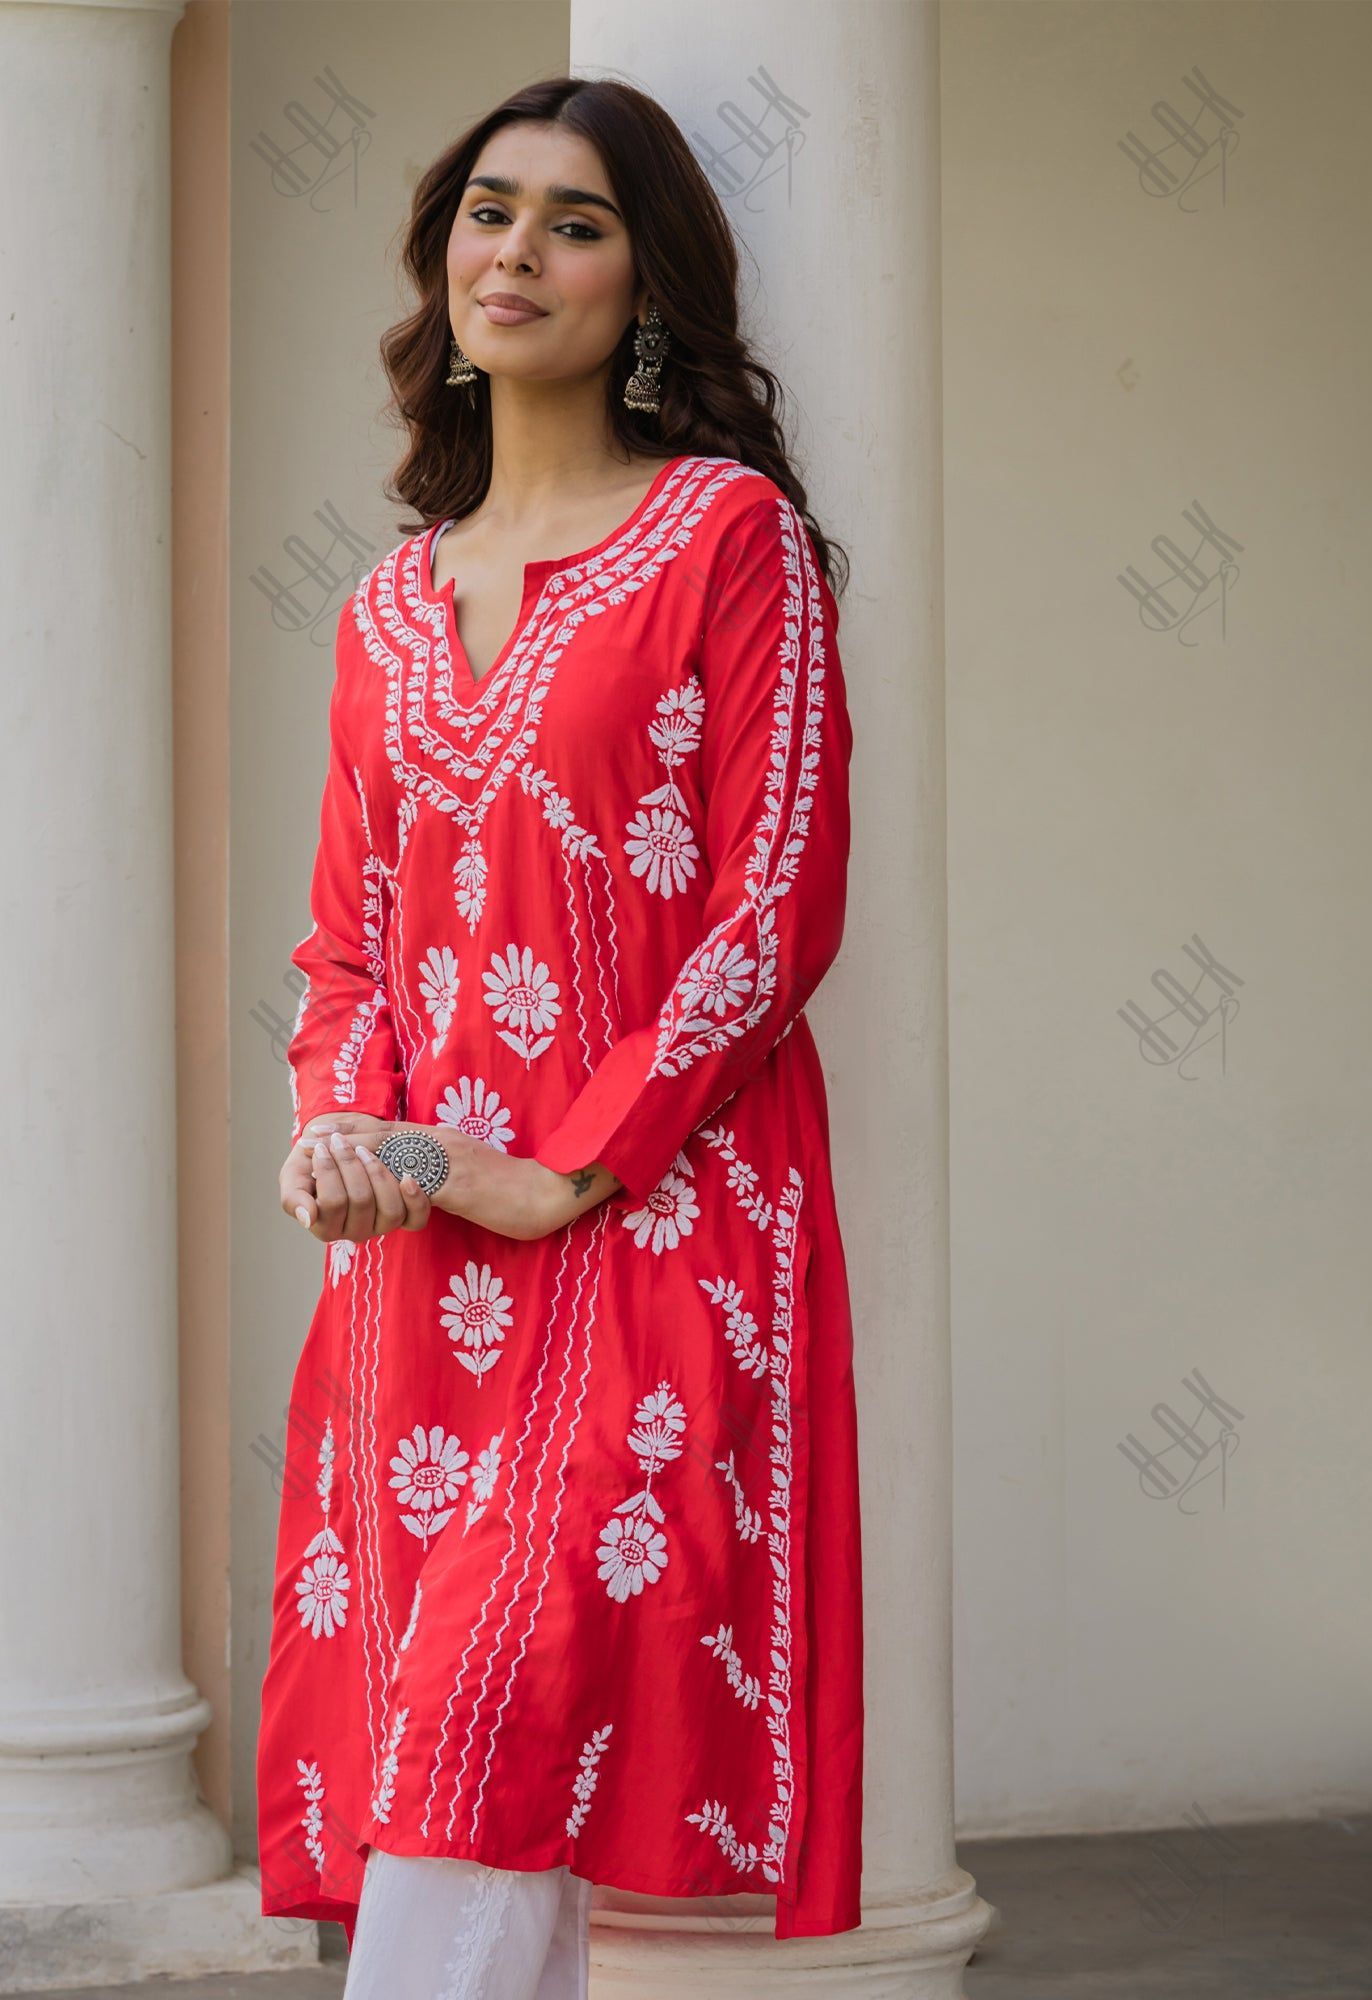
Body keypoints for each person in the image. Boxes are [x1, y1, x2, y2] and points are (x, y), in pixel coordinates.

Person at [255, 74, 863, 1998]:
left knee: (487, 1728)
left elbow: (776, 902)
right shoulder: (378, 608)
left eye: (576, 222)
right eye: (490, 212)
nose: (518, 252)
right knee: (466, 1768)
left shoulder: (721, 536)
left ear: (647, 285)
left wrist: (567, 1163)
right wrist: (350, 1136)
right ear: (445, 259)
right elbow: (347, 944)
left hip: (653, 1215)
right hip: (420, 1259)